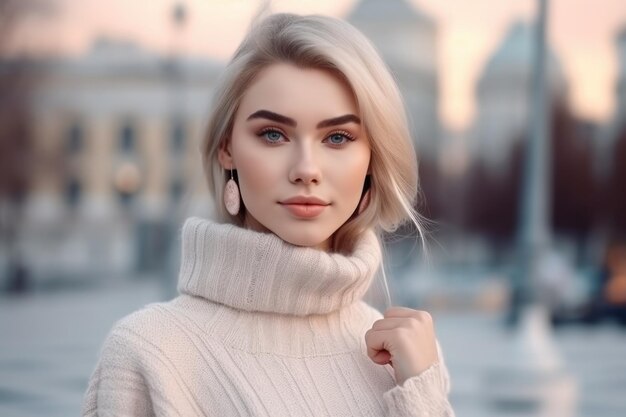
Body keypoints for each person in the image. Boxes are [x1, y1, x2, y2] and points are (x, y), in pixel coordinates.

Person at [82, 12, 454, 417]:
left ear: (371, 159)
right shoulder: (149, 355)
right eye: (273, 134)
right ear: (227, 148)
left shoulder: (408, 359)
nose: (306, 169)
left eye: (337, 137)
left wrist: (423, 400)